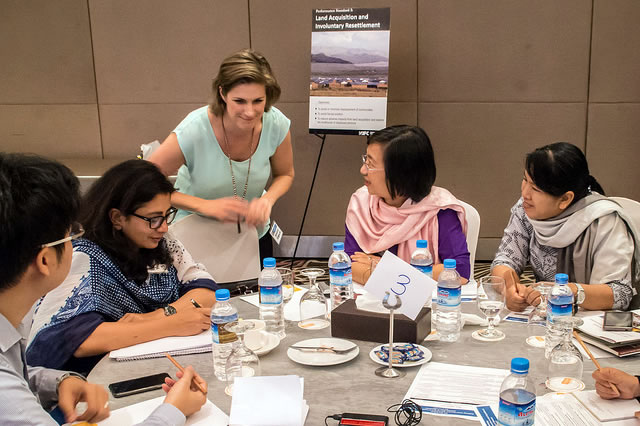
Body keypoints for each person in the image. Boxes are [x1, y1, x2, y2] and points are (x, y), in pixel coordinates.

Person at [0, 153, 207, 425]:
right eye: (70, 235)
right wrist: (174, 410)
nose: (163, 227)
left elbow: (204, 288)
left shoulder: (9, 335)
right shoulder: (88, 256)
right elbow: (70, 337)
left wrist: (59, 382)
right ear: (45, 260)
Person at [27, 160, 218, 375]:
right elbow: (74, 339)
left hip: (159, 362)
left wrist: (156, 316)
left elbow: (206, 291)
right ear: (117, 218)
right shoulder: (83, 255)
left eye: (167, 215)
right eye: (154, 219)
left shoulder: (161, 239)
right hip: (96, 378)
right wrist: (172, 323)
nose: (164, 227)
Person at [150, 48, 295, 259]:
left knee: (257, 291)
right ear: (222, 93)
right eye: (240, 101)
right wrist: (205, 206)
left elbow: (285, 174)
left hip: (250, 233)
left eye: (258, 101)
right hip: (193, 233)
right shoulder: (194, 129)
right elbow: (143, 183)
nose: (250, 112)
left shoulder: (277, 123)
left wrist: (267, 200)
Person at [491, 142, 640, 312]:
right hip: (549, 317)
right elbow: (505, 260)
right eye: (525, 180)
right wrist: (509, 288)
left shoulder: (604, 221)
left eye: (535, 188)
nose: (525, 193)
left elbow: (618, 293)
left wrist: (570, 292)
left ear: (565, 199)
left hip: (594, 322)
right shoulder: (525, 208)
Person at [344, 125, 471, 285]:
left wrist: (383, 268)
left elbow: (459, 271)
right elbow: (348, 264)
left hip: (425, 305)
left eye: (371, 164)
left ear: (400, 173)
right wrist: (416, 273)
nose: (363, 170)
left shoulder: (439, 210)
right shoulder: (361, 204)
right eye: (365, 160)